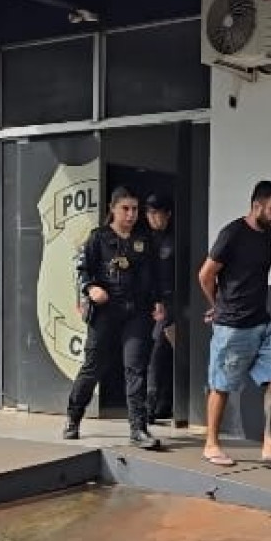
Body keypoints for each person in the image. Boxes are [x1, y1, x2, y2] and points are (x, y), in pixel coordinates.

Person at [197, 180, 271, 468]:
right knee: (222, 386)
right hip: (233, 326)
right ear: (257, 206)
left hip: (262, 322)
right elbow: (206, 275)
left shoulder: (269, 236)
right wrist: (217, 305)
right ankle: (211, 444)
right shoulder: (232, 234)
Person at [63, 186, 168, 449]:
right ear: (113, 209)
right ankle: (73, 416)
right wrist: (91, 288)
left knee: (136, 368)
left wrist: (158, 301)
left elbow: (153, 275)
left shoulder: (143, 240)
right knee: (93, 367)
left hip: (137, 313)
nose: (131, 214)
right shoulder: (98, 238)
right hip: (106, 312)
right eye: (125, 209)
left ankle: (138, 429)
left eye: (135, 209)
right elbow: (82, 270)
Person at [144, 193, 176, 423]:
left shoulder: (174, 240)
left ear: (168, 214)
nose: (153, 217)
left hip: (170, 304)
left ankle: (152, 404)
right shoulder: (145, 240)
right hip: (148, 304)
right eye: (149, 213)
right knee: (155, 353)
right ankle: (161, 403)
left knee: (158, 352)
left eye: (157, 213)